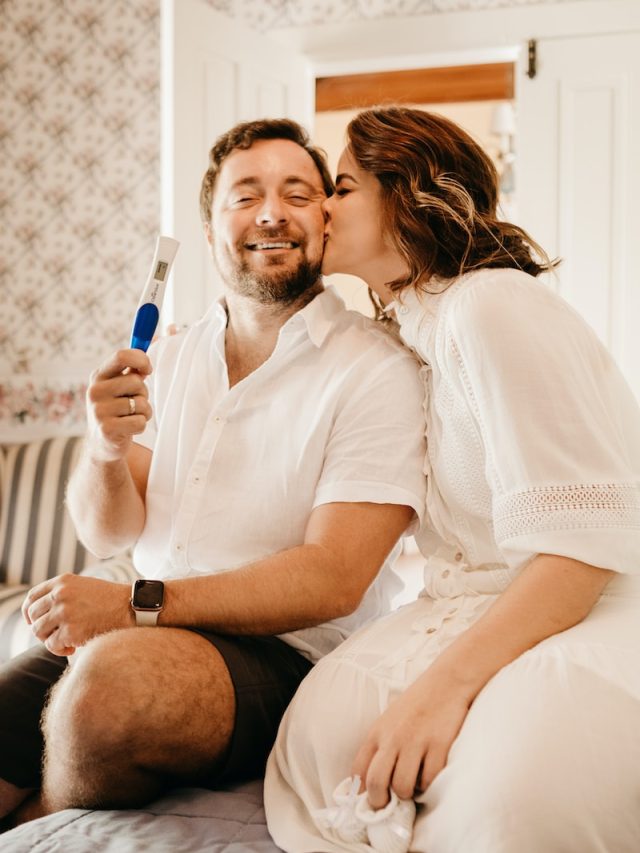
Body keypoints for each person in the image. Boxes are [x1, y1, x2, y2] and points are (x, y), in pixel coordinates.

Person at [0, 118, 428, 828]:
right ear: (209, 233)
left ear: (324, 221)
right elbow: (106, 527)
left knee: (103, 693)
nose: (271, 212)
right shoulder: (168, 356)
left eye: (298, 192)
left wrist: (136, 603)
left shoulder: (375, 370)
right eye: (246, 195)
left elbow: (335, 575)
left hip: (287, 657)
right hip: (144, 624)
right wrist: (104, 447)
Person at [264, 106, 640, 853]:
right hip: (463, 602)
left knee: (506, 805)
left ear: (408, 195)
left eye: (341, 185)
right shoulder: (415, 332)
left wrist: (443, 686)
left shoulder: (492, 306)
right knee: (315, 739)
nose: (324, 208)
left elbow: (581, 551)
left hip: (587, 596)